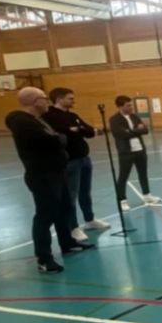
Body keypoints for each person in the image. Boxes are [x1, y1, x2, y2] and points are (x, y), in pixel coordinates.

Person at [5, 87, 95, 273]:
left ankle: (67, 244)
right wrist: (58, 138)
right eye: (44, 98)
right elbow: (56, 140)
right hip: (42, 176)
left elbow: (58, 138)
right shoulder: (22, 121)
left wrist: (59, 137)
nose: (47, 101)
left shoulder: (38, 120)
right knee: (45, 216)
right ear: (35, 101)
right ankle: (44, 259)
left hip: (57, 172)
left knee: (64, 209)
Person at [42, 87, 111, 241]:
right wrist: (74, 130)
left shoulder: (73, 115)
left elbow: (88, 131)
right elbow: (63, 134)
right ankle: (73, 227)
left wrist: (77, 129)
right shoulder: (49, 116)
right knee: (70, 195)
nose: (73, 101)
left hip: (84, 158)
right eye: (70, 98)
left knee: (85, 191)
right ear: (59, 99)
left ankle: (89, 219)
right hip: (69, 161)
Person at [110, 95, 160, 211]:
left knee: (143, 173)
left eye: (131, 104)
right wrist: (137, 130)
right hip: (126, 152)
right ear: (120, 106)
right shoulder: (114, 119)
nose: (131, 107)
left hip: (140, 150)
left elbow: (145, 130)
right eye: (128, 105)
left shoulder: (134, 116)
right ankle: (122, 200)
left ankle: (147, 195)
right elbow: (121, 134)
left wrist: (132, 131)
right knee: (123, 177)